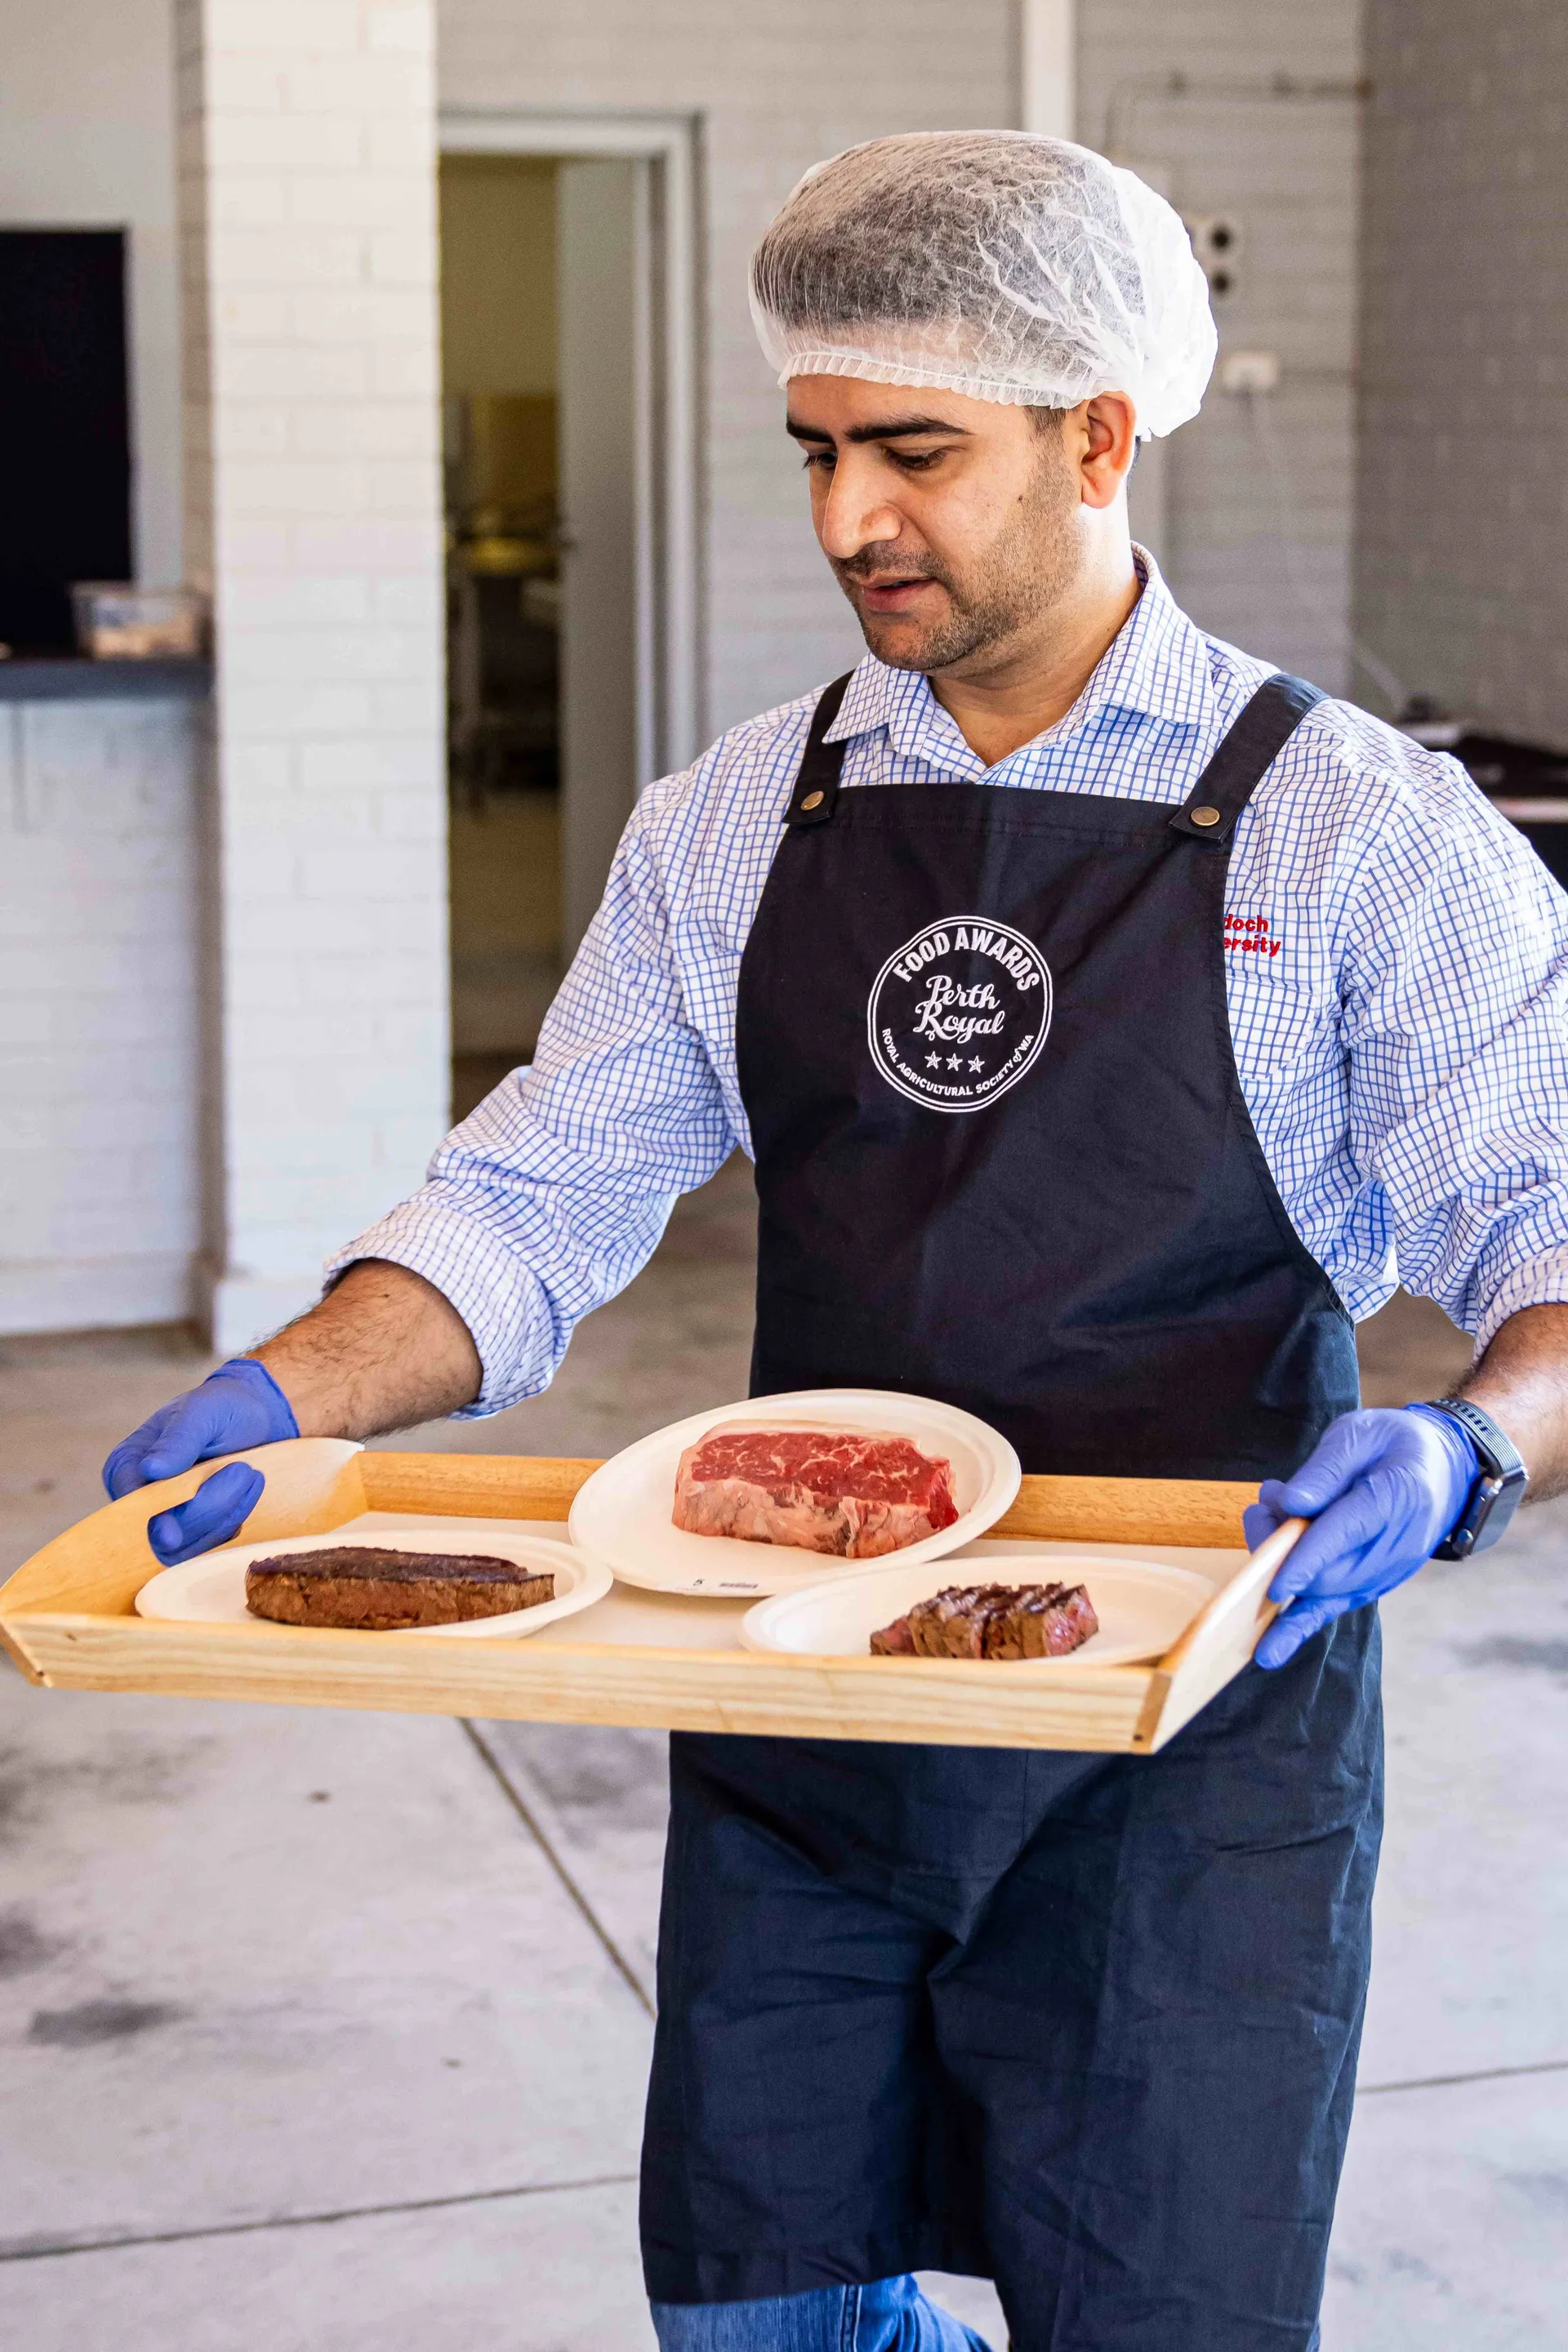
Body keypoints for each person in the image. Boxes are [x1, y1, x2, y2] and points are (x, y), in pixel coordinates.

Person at [105, 132, 1568, 2350]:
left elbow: (1552, 1224)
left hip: (1180, 1747)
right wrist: (292, 1390)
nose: (846, 521)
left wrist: (1475, 1445)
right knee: (764, 2309)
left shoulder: (1360, 832)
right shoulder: (735, 818)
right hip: (800, 1692)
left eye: (914, 453)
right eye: (815, 451)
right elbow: (539, 1189)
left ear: (1099, 435)